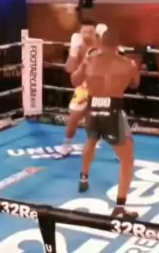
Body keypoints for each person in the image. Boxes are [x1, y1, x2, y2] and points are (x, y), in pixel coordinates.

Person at [71, 28, 140, 217]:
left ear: (101, 43)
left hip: (92, 108)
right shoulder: (128, 64)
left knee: (91, 140)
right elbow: (135, 84)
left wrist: (87, 69)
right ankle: (120, 207)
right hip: (112, 110)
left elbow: (74, 80)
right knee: (127, 159)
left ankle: (84, 176)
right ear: (118, 45)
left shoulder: (89, 60)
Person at [60, 20, 101, 156]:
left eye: (90, 32)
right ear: (80, 33)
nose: (87, 34)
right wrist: (73, 52)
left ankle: (121, 150)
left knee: (113, 120)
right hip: (83, 87)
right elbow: (69, 69)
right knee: (74, 117)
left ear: (95, 33)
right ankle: (67, 144)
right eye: (85, 32)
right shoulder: (78, 47)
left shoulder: (102, 45)